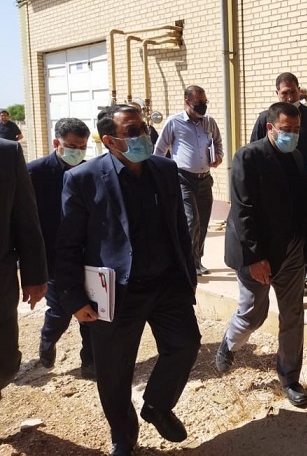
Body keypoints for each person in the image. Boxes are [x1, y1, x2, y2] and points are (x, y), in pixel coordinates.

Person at [54, 105, 201, 456]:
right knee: (114, 371)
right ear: (109, 140)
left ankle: (157, 406)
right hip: (116, 291)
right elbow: (68, 243)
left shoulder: (164, 169)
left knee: (185, 344)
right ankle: (123, 436)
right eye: (132, 131)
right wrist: (73, 297)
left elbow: (179, 227)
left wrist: (188, 274)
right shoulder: (83, 178)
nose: (142, 136)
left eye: (143, 128)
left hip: (167, 283)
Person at [216, 102, 307, 408]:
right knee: (252, 314)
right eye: (286, 129)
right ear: (270, 128)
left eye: (296, 130)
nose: (292, 135)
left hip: (291, 251)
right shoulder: (248, 156)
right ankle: (229, 343)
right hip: (257, 253)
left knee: (293, 314)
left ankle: (289, 378)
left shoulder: (296, 156)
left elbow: (304, 203)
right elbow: (243, 210)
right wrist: (255, 258)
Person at [28, 118, 94, 378]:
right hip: (53, 257)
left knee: (92, 311)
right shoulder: (34, 173)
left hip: (85, 253)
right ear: (57, 142)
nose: (77, 152)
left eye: (82, 147)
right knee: (61, 310)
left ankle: (90, 363)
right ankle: (48, 341)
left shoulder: (89, 172)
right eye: (72, 146)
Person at [250, 73, 307, 294]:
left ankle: (302, 272)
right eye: (285, 92)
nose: (290, 96)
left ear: (299, 90)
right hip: (275, 186)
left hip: (306, 182)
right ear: (277, 93)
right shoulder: (265, 118)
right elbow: (255, 149)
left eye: (293, 91)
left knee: (303, 227)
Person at [154, 85, 223, 276]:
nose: (203, 106)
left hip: (205, 179)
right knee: (192, 221)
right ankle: (188, 262)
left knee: (204, 221)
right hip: (183, 178)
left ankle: (197, 261)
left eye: (205, 102)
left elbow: (218, 142)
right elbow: (159, 151)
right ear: (187, 101)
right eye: (199, 102)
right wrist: (160, 176)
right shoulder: (174, 122)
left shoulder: (209, 122)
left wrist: (218, 157)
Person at [0, 139, 47, 398]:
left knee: (4, 363)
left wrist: (35, 276)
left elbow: (26, 217)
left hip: (1, 282)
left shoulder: (7, 152)